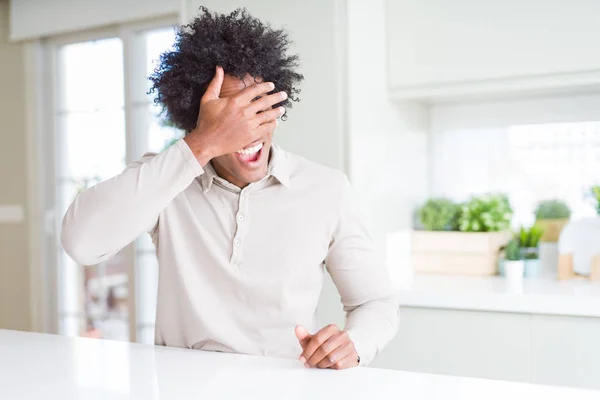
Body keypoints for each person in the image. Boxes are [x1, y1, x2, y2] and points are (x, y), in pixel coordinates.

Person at [61, 7, 398, 370]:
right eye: (227, 115)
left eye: (258, 106)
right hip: (181, 388)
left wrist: (354, 345)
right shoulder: (167, 179)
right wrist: (202, 144)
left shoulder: (327, 189)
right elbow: (81, 242)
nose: (247, 129)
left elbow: (374, 302)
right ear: (197, 118)